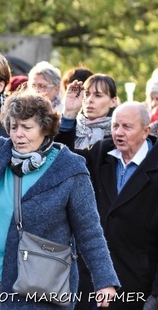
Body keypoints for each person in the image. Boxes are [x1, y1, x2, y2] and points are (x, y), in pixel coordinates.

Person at [0, 49, 119, 309]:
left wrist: (105, 281)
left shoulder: (70, 169)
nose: (18, 135)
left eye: (27, 127)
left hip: (37, 285)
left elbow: (89, 231)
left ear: (45, 129)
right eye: (13, 127)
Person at [64, 100, 158, 309]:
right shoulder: (101, 152)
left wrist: (156, 295)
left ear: (146, 131)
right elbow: (65, 160)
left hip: (135, 283)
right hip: (90, 280)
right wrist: (68, 117)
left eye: (127, 127)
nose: (118, 132)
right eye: (115, 126)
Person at [57, 74, 118, 150]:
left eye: (98, 95)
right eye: (87, 94)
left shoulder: (118, 134)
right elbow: (58, 153)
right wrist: (69, 112)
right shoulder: (69, 127)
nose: (89, 100)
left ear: (113, 101)